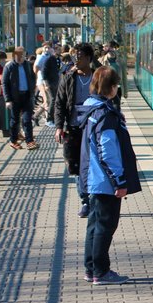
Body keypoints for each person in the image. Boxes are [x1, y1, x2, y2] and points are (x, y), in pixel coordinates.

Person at [77, 65, 140, 285]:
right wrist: (119, 180)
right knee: (105, 227)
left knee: (94, 227)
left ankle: (91, 269)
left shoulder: (91, 110)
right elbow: (108, 151)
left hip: (93, 179)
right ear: (111, 88)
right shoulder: (105, 115)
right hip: (105, 182)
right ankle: (101, 272)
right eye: (116, 85)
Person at [55, 43, 100, 216]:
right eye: (74, 55)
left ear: (88, 58)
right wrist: (59, 126)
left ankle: (95, 197)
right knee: (76, 165)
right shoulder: (68, 77)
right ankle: (85, 200)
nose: (76, 58)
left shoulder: (98, 77)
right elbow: (59, 103)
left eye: (79, 55)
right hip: (74, 128)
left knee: (94, 163)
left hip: (94, 127)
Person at [1, 46, 38, 150]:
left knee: (27, 120)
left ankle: (29, 141)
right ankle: (13, 140)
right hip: (14, 98)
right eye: (19, 56)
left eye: (23, 56)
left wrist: (33, 88)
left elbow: (33, 77)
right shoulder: (9, 66)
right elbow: (4, 83)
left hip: (26, 96)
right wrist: (7, 99)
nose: (21, 58)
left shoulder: (28, 65)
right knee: (15, 120)